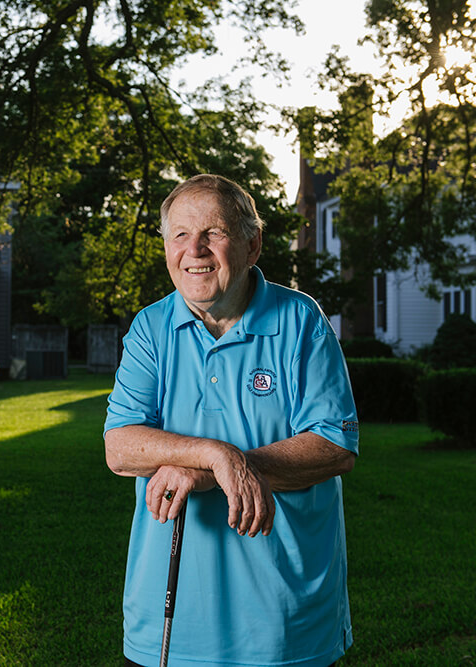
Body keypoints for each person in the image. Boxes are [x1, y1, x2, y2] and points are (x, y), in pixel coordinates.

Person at [104, 174, 359, 667]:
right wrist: (216, 456)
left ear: (252, 244)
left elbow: (333, 446)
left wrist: (201, 473)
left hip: (285, 624)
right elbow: (121, 447)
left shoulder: (301, 320)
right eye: (179, 234)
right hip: (166, 622)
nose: (194, 249)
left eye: (213, 233)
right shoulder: (150, 328)